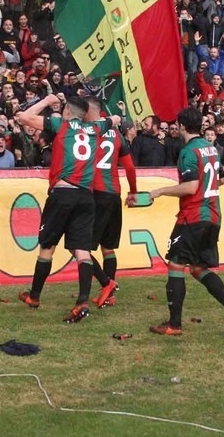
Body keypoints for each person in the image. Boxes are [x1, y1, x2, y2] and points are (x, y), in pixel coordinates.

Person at [147, 106, 224, 338]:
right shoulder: (211, 148)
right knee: (198, 267)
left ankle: (174, 324)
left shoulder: (188, 152)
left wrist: (159, 191)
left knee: (176, 265)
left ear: (181, 125)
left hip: (194, 216)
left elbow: (190, 187)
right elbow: (220, 180)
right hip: (212, 215)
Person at [13, 92, 111, 323]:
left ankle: (34, 296)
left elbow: (24, 118)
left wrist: (47, 100)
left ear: (67, 112)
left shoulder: (62, 125)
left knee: (48, 245)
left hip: (63, 193)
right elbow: (114, 120)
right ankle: (82, 301)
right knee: (82, 250)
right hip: (86, 196)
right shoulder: (97, 129)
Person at [84, 98, 139, 309]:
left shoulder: (90, 131)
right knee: (108, 247)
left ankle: (106, 283)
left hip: (96, 193)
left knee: (82, 247)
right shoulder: (116, 135)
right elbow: (130, 168)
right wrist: (133, 192)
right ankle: (109, 293)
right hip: (114, 194)